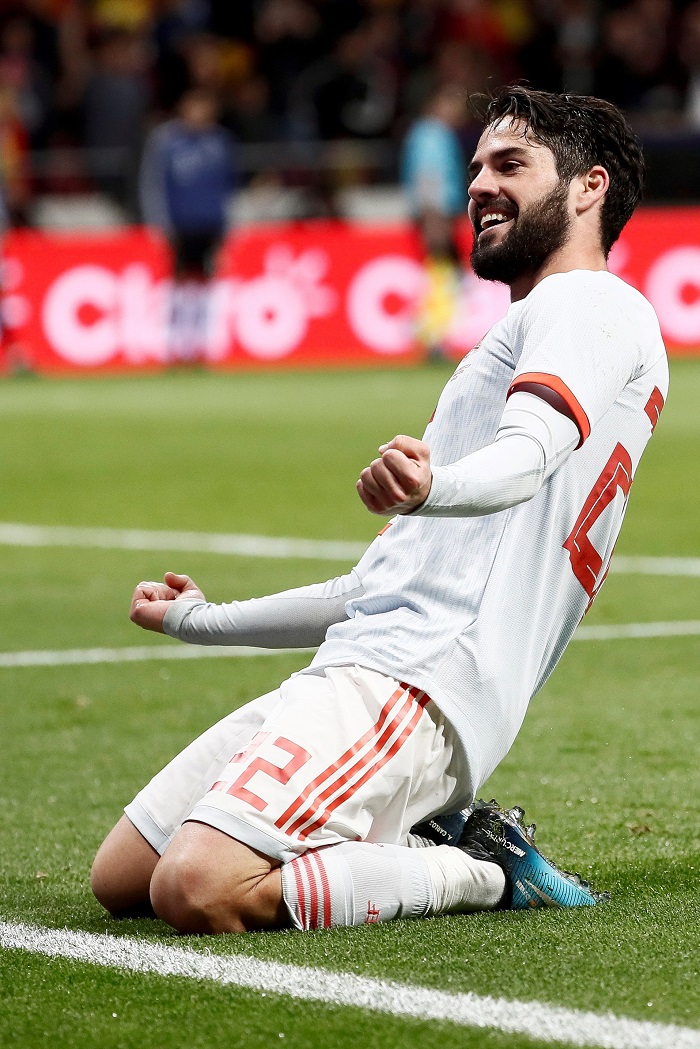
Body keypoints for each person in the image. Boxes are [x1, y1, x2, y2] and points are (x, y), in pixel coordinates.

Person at [91, 86, 668, 934]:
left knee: (198, 889)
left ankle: (479, 869)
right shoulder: (545, 329)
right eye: (476, 168)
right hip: (369, 662)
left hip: (418, 678)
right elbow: (378, 584)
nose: (479, 184)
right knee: (124, 877)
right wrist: (199, 620)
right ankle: (409, 833)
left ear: (589, 187)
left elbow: (530, 453)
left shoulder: (588, 303)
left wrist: (432, 485)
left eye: (511, 165)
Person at [139, 86, 237, 364]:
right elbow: (152, 183)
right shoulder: (167, 141)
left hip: (210, 225)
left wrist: (227, 225)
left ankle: (203, 345)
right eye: (194, 105)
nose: (200, 112)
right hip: (178, 225)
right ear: (183, 107)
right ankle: (175, 345)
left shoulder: (220, 141)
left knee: (207, 286)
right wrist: (158, 222)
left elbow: (227, 187)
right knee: (177, 286)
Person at [400, 84, 468, 359]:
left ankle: (431, 332)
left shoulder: (426, 133)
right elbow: (428, 178)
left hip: (437, 213)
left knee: (443, 271)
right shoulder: (432, 134)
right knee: (442, 271)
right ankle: (431, 334)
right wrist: (433, 219)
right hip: (436, 214)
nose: (459, 112)